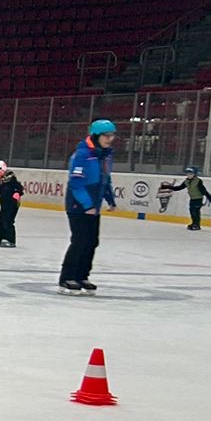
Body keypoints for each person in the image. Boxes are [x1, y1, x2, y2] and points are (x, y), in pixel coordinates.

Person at [59, 118, 118, 293]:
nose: (110, 139)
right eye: (106, 135)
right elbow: (76, 184)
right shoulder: (82, 154)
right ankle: (67, 277)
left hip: (94, 206)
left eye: (112, 135)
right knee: (80, 240)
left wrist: (110, 199)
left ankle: (82, 276)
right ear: (95, 135)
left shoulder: (106, 155)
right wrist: (87, 205)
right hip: (78, 206)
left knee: (92, 241)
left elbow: (105, 179)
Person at [161, 165, 211, 231]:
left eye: (191, 174)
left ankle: (196, 224)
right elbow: (179, 188)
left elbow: (203, 190)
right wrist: (168, 187)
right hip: (192, 198)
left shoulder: (198, 181)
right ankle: (195, 223)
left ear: (194, 174)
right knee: (192, 211)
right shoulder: (186, 181)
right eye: (188, 174)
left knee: (195, 211)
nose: (188, 175)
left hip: (198, 198)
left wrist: (210, 198)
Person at [0, 160, 25, 247]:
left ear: (2, 170)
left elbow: (19, 187)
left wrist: (18, 193)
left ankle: (10, 239)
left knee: (8, 221)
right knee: (1, 220)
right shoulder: (0, 180)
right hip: (4, 203)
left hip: (12, 203)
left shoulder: (11, 178)